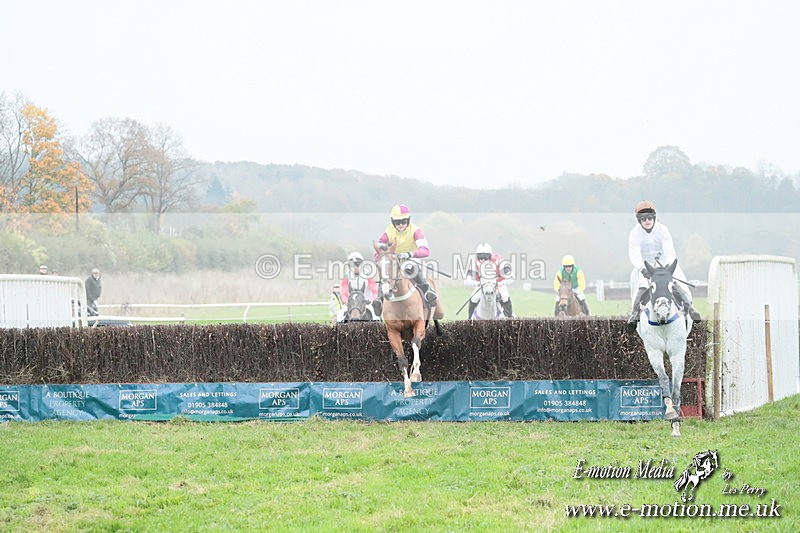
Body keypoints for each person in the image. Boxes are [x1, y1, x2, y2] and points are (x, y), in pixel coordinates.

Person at [627, 200, 700, 330]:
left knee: (674, 283)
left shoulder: (663, 230)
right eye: (643, 219)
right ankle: (634, 315)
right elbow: (635, 255)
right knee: (643, 286)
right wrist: (642, 269)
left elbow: (669, 251)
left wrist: (667, 268)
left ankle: (690, 308)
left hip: (665, 264)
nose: (647, 221)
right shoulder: (634, 234)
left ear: (654, 217)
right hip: (646, 267)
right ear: (639, 220)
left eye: (650, 218)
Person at [375, 204, 437, 304]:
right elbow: (378, 252)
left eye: (403, 221)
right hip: (394, 261)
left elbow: (425, 250)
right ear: (393, 222)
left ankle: (427, 291)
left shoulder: (415, 230)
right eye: (397, 222)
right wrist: (383, 258)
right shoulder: (388, 232)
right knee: (385, 272)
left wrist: (410, 254)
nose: (401, 225)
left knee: (411, 267)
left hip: (411, 259)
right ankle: (379, 299)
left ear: (408, 220)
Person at [465, 243, 514, 318]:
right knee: (474, 298)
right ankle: (469, 318)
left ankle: (510, 317)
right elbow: (467, 281)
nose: (482, 259)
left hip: (498, 284)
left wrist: (502, 283)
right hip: (482, 285)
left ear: (490, 256)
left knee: (505, 297)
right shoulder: (474, 263)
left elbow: (512, 277)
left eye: (485, 257)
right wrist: (476, 283)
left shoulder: (499, 261)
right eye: (480, 256)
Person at [338, 251, 381, 320]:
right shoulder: (346, 276)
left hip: (366, 303)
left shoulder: (368, 275)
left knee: (376, 317)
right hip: (351, 303)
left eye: (357, 265)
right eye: (352, 265)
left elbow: (375, 291)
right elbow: (344, 293)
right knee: (340, 316)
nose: (355, 267)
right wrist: (346, 301)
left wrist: (371, 300)